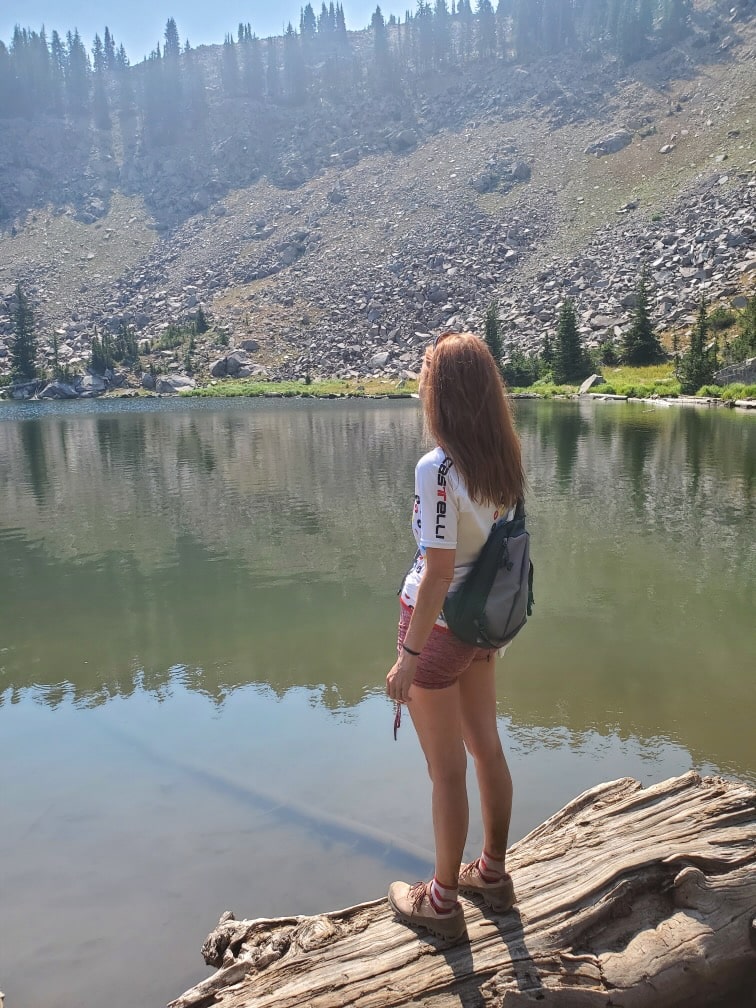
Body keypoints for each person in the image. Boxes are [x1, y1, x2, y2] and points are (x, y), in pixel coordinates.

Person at [386, 331, 526, 942]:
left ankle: (442, 902)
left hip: (440, 629)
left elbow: (440, 570)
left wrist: (408, 660)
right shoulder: (504, 458)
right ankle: (492, 872)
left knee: (445, 771)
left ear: (441, 395)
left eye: (426, 378)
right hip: (482, 626)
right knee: (485, 749)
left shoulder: (437, 468)